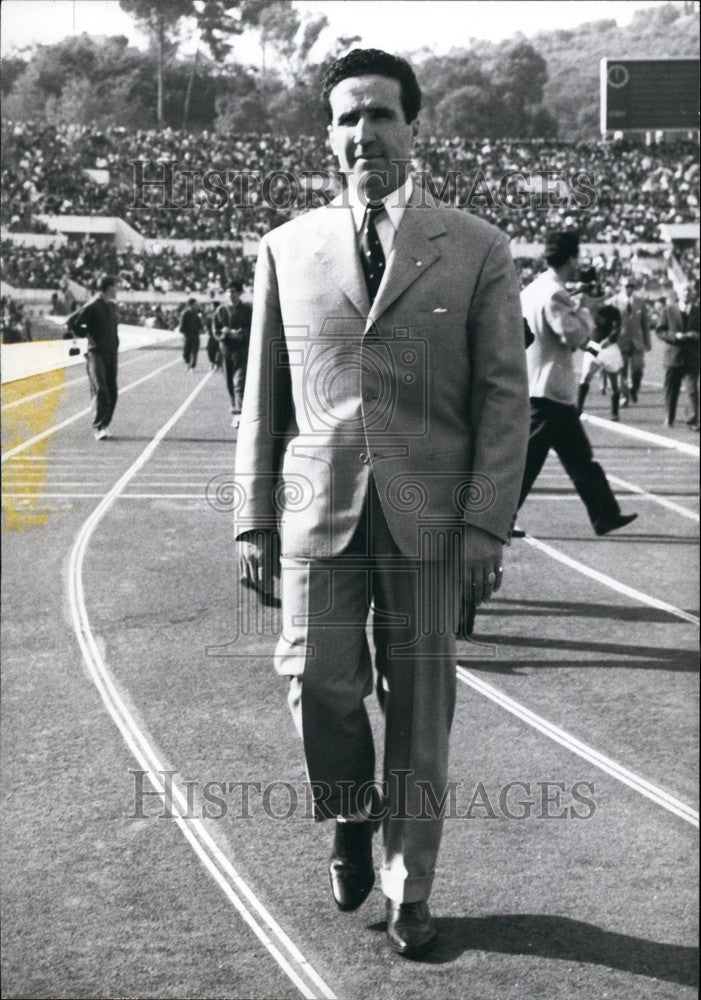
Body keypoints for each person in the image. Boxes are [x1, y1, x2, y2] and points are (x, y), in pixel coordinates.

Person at [234, 48, 529, 957]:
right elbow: (266, 394)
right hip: (315, 510)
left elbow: (502, 396)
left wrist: (483, 520)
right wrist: (251, 515)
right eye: (348, 118)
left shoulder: (476, 245)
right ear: (330, 136)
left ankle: (410, 890)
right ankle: (351, 813)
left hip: (432, 518)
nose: (365, 132)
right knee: (315, 684)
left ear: (413, 124)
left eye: (382, 114)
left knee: (420, 708)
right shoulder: (287, 246)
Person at [514, 231, 637, 537]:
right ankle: (497, 519)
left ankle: (605, 514)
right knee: (530, 462)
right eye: (577, 257)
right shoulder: (555, 293)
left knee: (579, 458)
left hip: (539, 385)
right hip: (549, 390)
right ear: (571, 259)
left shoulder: (533, 288)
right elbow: (573, 336)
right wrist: (585, 312)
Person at [67, 275, 119, 441]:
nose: (117, 290)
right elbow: (71, 322)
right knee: (101, 389)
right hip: (96, 354)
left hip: (111, 353)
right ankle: (99, 427)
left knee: (113, 392)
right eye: (115, 287)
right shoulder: (92, 306)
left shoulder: (111, 307)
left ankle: (105, 424)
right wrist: (86, 335)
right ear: (108, 288)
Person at [657, 286, 700, 430]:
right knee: (671, 389)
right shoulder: (668, 310)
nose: (687, 293)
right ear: (679, 294)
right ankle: (669, 417)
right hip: (673, 355)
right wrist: (674, 336)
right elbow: (660, 331)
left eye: (689, 291)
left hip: (692, 357)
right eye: (684, 291)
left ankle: (692, 420)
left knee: (692, 389)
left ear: (693, 294)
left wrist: (696, 335)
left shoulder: (697, 311)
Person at [577, 304, 623, 421]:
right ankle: (578, 409)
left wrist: (610, 339)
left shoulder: (613, 310)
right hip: (594, 346)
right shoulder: (588, 307)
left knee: (613, 381)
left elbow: (617, 328)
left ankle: (614, 412)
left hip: (610, 348)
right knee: (586, 376)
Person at [214, 281, 251, 424]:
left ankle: (239, 412)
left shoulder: (248, 309)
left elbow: (253, 327)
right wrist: (227, 333)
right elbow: (216, 330)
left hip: (241, 349)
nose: (230, 294)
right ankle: (235, 406)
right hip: (226, 350)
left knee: (239, 381)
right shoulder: (221, 310)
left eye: (233, 291)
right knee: (229, 381)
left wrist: (241, 334)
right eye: (228, 291)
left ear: (240, 293)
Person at [609, 278, 650, 406]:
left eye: (632, 286)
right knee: (622, 370)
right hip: (620, 341)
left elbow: (645, 324)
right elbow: (608, 324)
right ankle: (624, 396)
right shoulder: (614, 302)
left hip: (636, 341)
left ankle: (634, 388)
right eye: (627, 286)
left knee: (638, 369)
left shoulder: (640, 302)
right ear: (621, 286)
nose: (629, 289)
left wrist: (647, 341)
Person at [178, 297, 204, 371]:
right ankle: (188, 362)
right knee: (186, 353)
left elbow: (200, 324)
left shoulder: (197, 314)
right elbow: (182, 324)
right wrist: (182, 332)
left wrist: (201, 328)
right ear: (190, 305)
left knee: (194, 352)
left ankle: (192, 366)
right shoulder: (185, 313)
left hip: (195, 335)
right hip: (187, 335)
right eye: (195, 304)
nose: (196, 305)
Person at [206, 298, 223, 371]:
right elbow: (207, 324)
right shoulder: (210, 315)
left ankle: (217, 364)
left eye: (212, 306)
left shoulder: (222, 315)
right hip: (212, 336)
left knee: (220, 350)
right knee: (210, 349)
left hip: (220, 335)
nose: (211, 307)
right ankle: (213, 362)